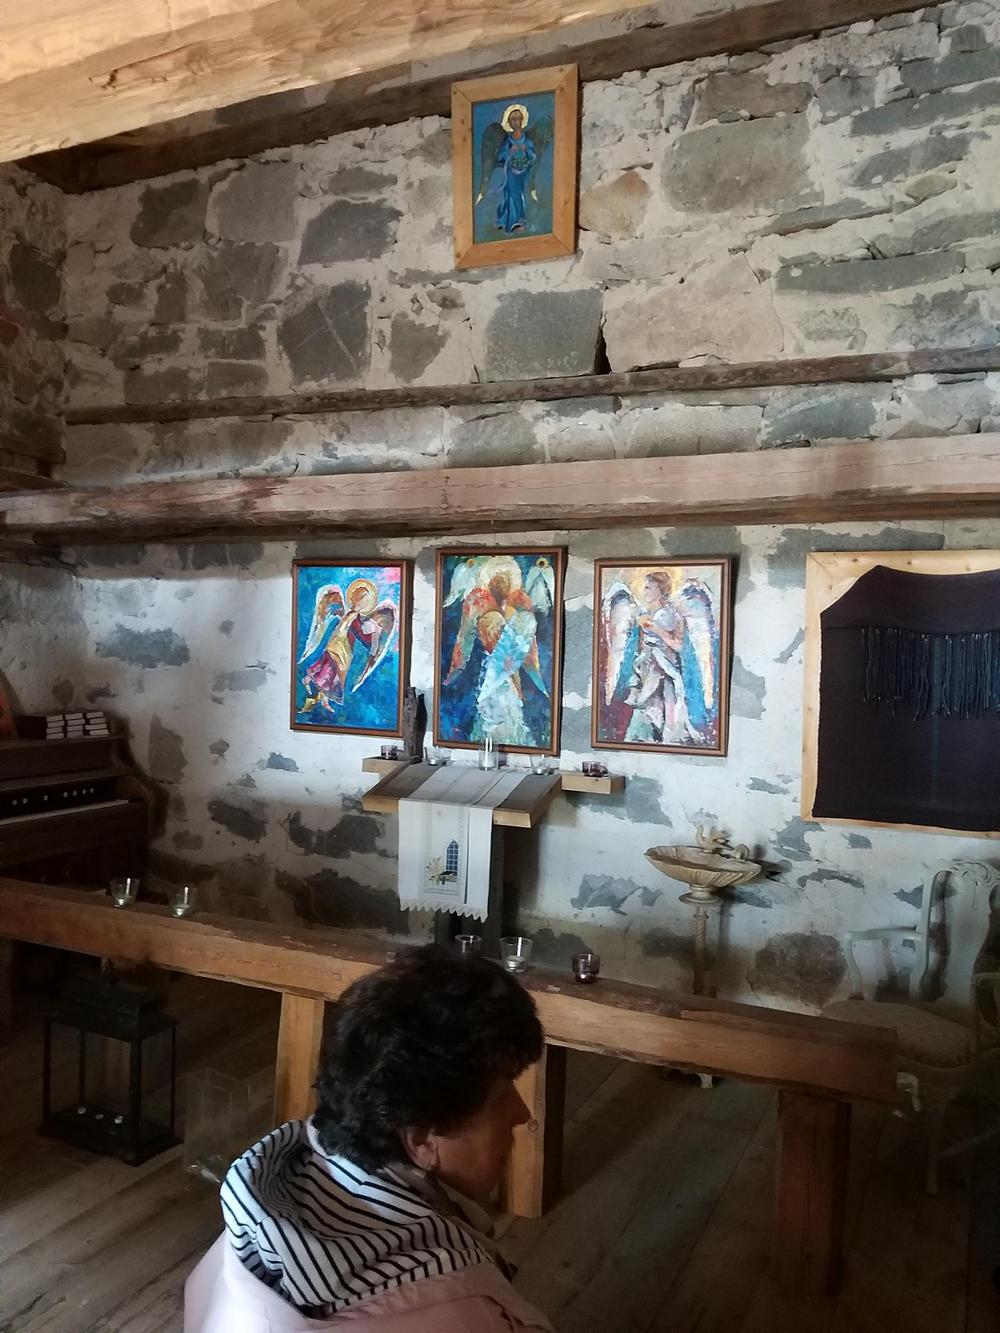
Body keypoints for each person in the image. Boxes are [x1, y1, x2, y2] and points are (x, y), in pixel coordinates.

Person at [185, 945, 552, 1331]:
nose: (522, 1113)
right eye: (501, 1097)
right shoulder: (469, 1318)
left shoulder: (266, 1202)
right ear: (422, 1140)